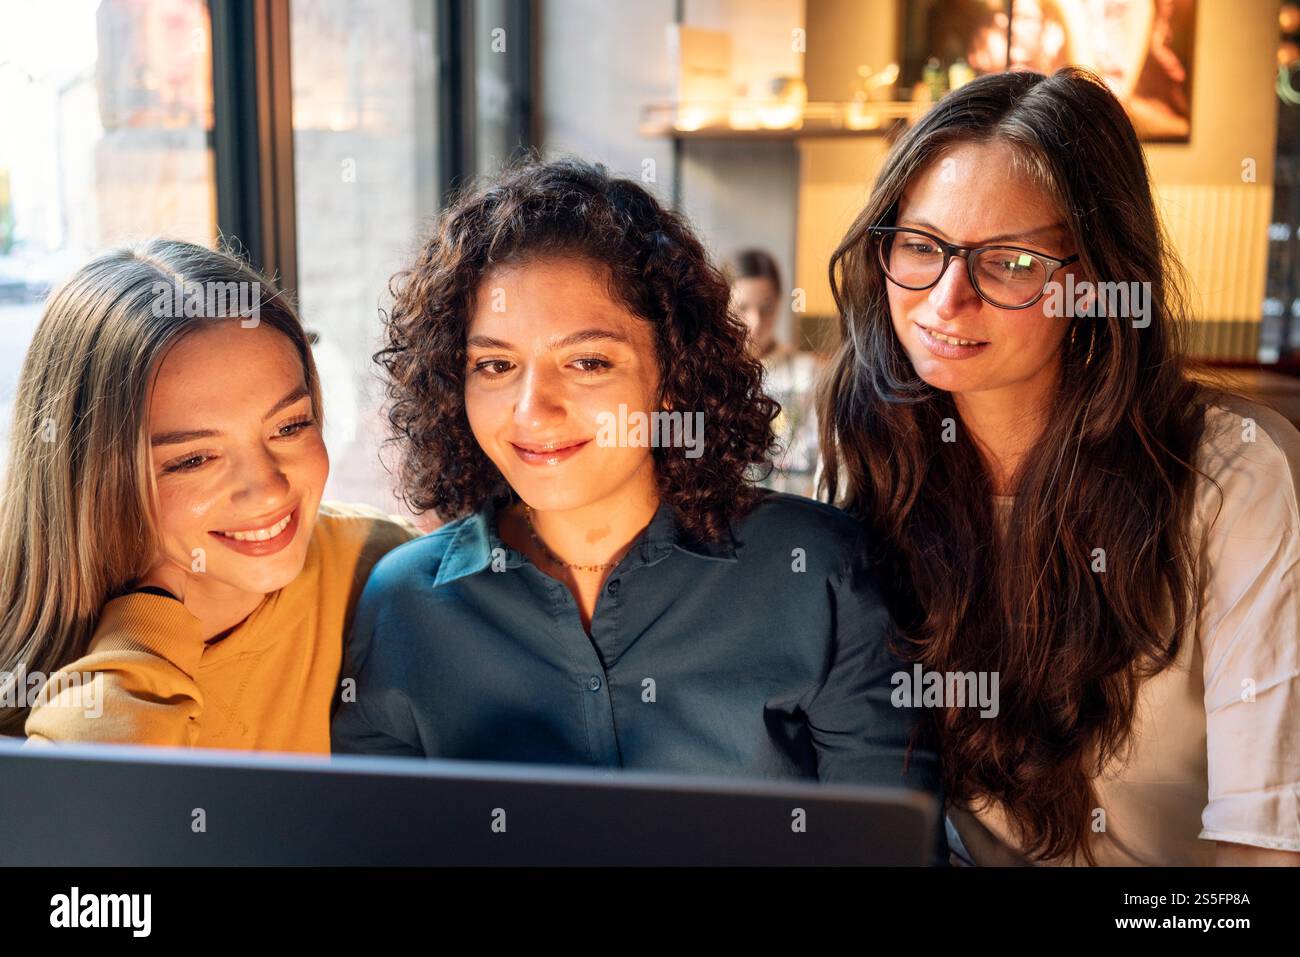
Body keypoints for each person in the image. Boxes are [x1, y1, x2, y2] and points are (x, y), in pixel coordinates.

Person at [331, 159, 940, 827]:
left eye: (587, 362)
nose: (532, 409)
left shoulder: (818, 571)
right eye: (496, 364)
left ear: (673, 375)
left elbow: (888, 847)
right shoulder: (404, 603)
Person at [820, 66, 1300, 865]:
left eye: (1009, 262)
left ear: (1100, 281)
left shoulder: (1237, 479)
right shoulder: (878, 454)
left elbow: (1267, 853)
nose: (946, 299)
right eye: (920, 245)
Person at [0, 239, 419, 752]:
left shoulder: (379, 567)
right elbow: (91, 807)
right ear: (93, 477)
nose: (267, 487)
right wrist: (144, 636)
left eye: (290, 426)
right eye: (193, 459)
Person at [727, 248, 823, 497]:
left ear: (781, 303)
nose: (755, 321)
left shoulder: (810, 374)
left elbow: (826, 465)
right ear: (722, 305)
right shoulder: (709, 379)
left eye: (766, 308)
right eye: (742, 308)